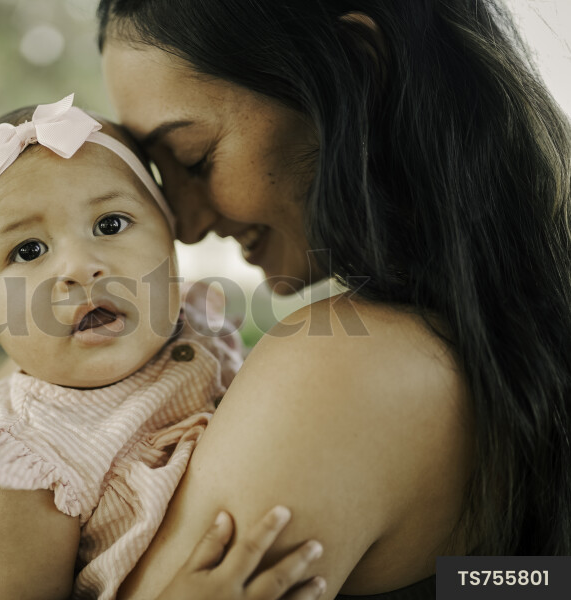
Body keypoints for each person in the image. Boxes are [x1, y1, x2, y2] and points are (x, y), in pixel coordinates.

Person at [69, 0, 567, 598]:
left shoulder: (340, 372)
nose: (184, 223)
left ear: (356, 68)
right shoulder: (519, 336)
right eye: (159, 173)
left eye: (195, 159)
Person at [0, 95, 327, 600]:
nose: (80, 266)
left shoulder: (199, 325)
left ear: (170, 248)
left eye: (109, 225)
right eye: (28, 251)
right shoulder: (30, 461)